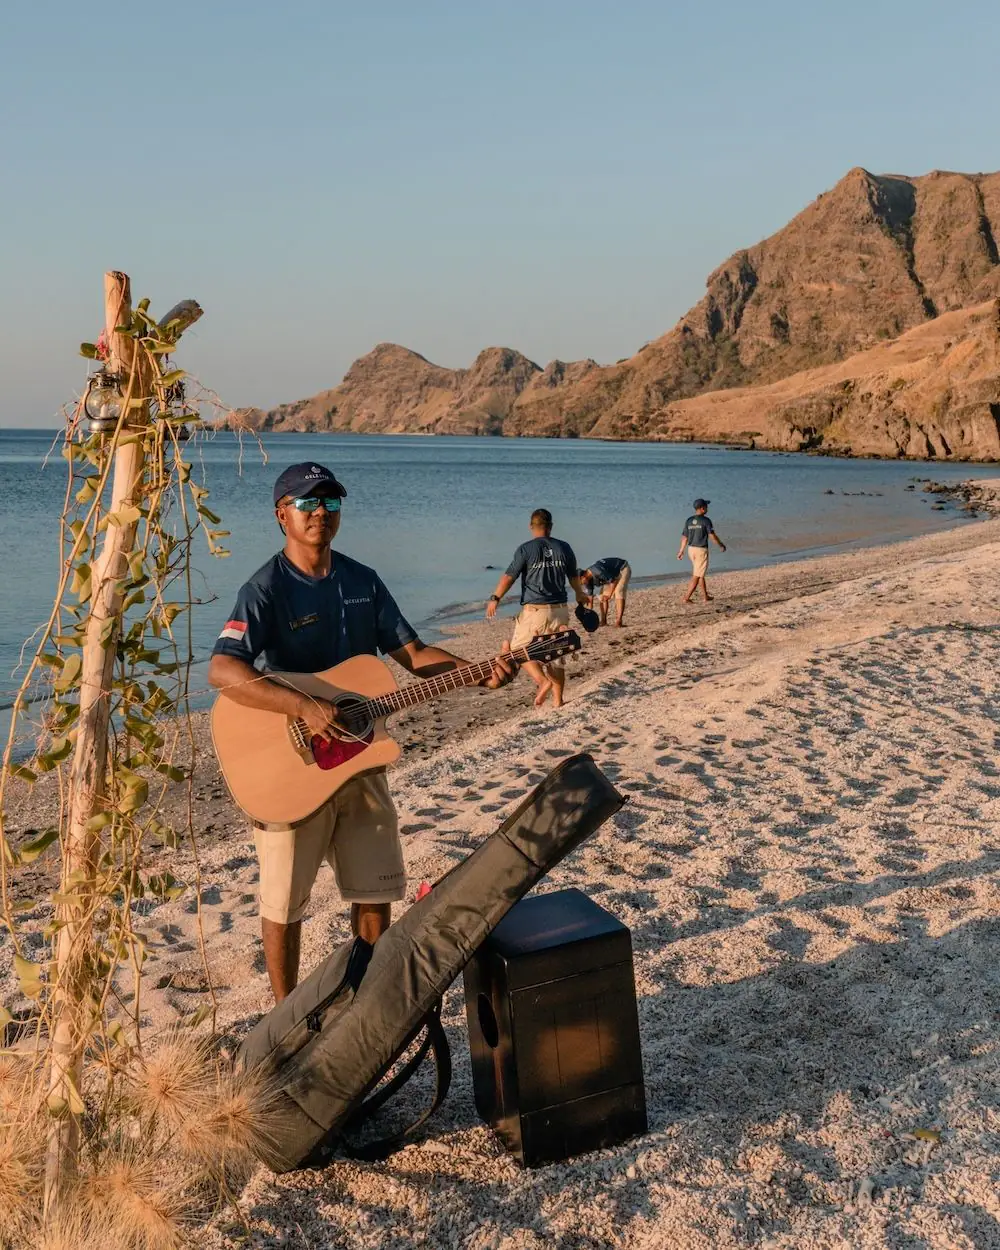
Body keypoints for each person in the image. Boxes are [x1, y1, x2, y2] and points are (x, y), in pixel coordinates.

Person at [208, 463, 516, 1002]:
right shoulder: (265, 587)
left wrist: (477, 670)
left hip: (359, 758)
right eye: (306, 503)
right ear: (281, 514)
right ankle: (287, 1013)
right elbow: (224, 670)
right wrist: (302, 707)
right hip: (293, 769)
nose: (320, 513)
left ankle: (367, 1003)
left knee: (376, 889)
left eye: (330, 503)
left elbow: (415, 656)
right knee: (284, 902)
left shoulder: (362, 581)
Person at [485, 508, 588, 709]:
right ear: (550, 526)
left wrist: (495, 598)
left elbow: (509, 577)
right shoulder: (564, 547)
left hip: (535, 611)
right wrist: (579, 594)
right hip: (559, 609)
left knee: (517, 650)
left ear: (532, 528)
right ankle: (558, 701)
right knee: (556, 655)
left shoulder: (525, 549)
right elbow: (573, 577)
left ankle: (542, 681)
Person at [677, 498, 726, 603]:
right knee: (697, 575)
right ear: (702, 508)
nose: (708, 508)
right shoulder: (706, 521)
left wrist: (681, 550)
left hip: (691, 550)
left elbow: (684, 537)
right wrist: (720, 545)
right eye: (706, 506)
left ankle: (705, 596)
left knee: (699, 573)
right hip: (701, 550)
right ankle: (686, 598)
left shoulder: (689, 520)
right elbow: (712, 535)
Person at [580, 557, 631, 628]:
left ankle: (619, 621)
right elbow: (590, 600)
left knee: (618, 592)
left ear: (583, 576)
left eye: (579, 582)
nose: (580, 584)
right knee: (602, 596)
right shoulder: (587, 581)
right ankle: (603, 621)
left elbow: (613, 581)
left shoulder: (597, 571)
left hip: (622, 569)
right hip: (610, 576)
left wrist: (609, 595)